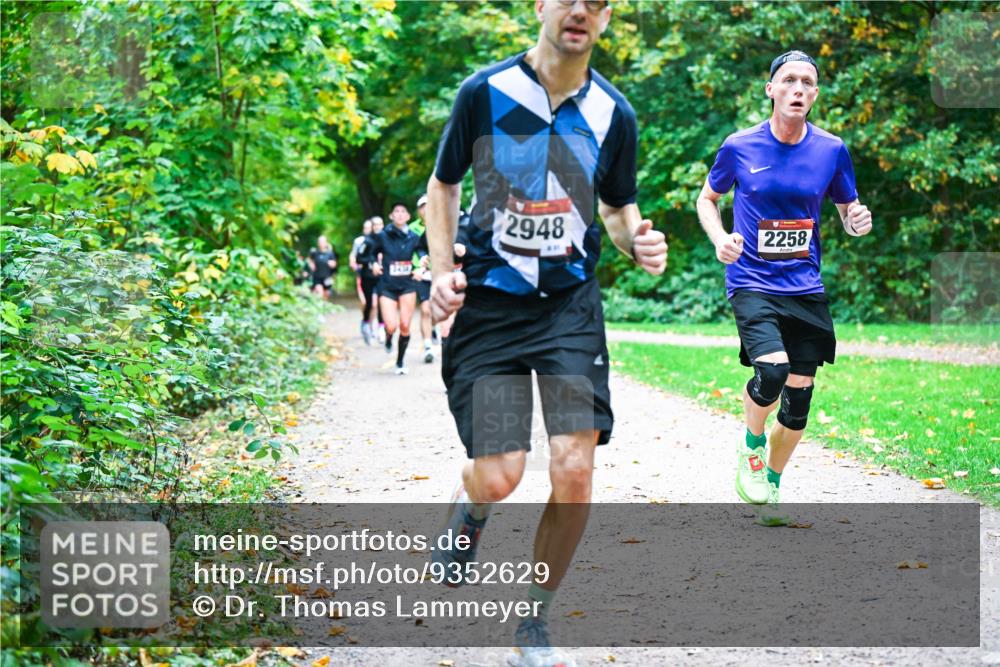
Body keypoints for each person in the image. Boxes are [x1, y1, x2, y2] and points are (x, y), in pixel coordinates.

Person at [423, 1, 667, 664]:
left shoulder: (615, 113)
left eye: (596, 2)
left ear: (608, 17)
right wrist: (442, 273)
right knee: (501, 474)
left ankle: (532, 621)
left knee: (574, 471)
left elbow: (617, 208)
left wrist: (636, 242)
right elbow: (441, 189)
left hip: (567, 311)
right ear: (541, 6)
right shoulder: (485, 92)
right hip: (494, 312)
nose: (580, 10)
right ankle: (471, 511)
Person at [695, 50, 873, 526]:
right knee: (771, 372)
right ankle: (752, 447)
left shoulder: (831, 150)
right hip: (751, 279)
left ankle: (771, 484)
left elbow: (848, 213)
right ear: (771, 89)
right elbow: (707, 199)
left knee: (798, 400)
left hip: (805, 285)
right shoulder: (739, 146)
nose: (798, 88)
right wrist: (720, 239)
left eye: (807, 82)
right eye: (788, 80)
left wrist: (858, 221)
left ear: (814, 95)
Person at [359, 203, 424, 375]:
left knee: (404, 325)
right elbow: (370, 253)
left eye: (404, 211)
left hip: (407, 285)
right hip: (387, 285)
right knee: (391, 326)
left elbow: (423, 253)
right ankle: (388, 337)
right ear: (391, 216)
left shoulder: (414, 237)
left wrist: (420, 268)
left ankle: (400, 362)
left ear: (408, 217)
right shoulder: (382, 236)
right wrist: (373, 264)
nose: (400, 214)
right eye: (397, 211)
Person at [410, 194, 436, 363]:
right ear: (419, 210)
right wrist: (417, 267)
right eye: (423, 206)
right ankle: (428, 345)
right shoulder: (411, 228)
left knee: (441, 310)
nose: (426, 209)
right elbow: (412, 249)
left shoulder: (444, 223)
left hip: (442, 273)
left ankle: (438, 332)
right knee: (426, 309)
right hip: (421, 273)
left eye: (429, 205)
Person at [350, 219, 377, 343]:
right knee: (366, 303)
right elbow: (356, 257)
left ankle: (372, 327)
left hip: (378, 277)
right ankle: (365, 322)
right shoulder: (362, 241)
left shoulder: (383, 239)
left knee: (375, 304)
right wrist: (357, 265)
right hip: (364, 275)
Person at [370, 216, 387, 344]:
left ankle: (381, 328)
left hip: (383, 278)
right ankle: (370, 325)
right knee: (372, 304)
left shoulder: (387, 239)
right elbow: (360, 258)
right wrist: (373, 263)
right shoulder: (366, 240)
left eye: (380, 224)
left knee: (380, 304)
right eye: (375, 224)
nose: (377, 227)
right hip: (368, 278)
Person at [308, 235, 338, 300]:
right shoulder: (315, 252)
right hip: (317, 277)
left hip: (327, 277)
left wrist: (332, 264)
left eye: (323, 241)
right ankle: (320, 306)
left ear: (326, 243)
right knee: (320, 293)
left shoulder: (330, 253)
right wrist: (311, 265)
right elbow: (309, 260)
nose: (321, 243)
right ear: (318, 243)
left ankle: (324, 307)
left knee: (326, 295)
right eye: (320, 241)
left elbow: (335, 264)